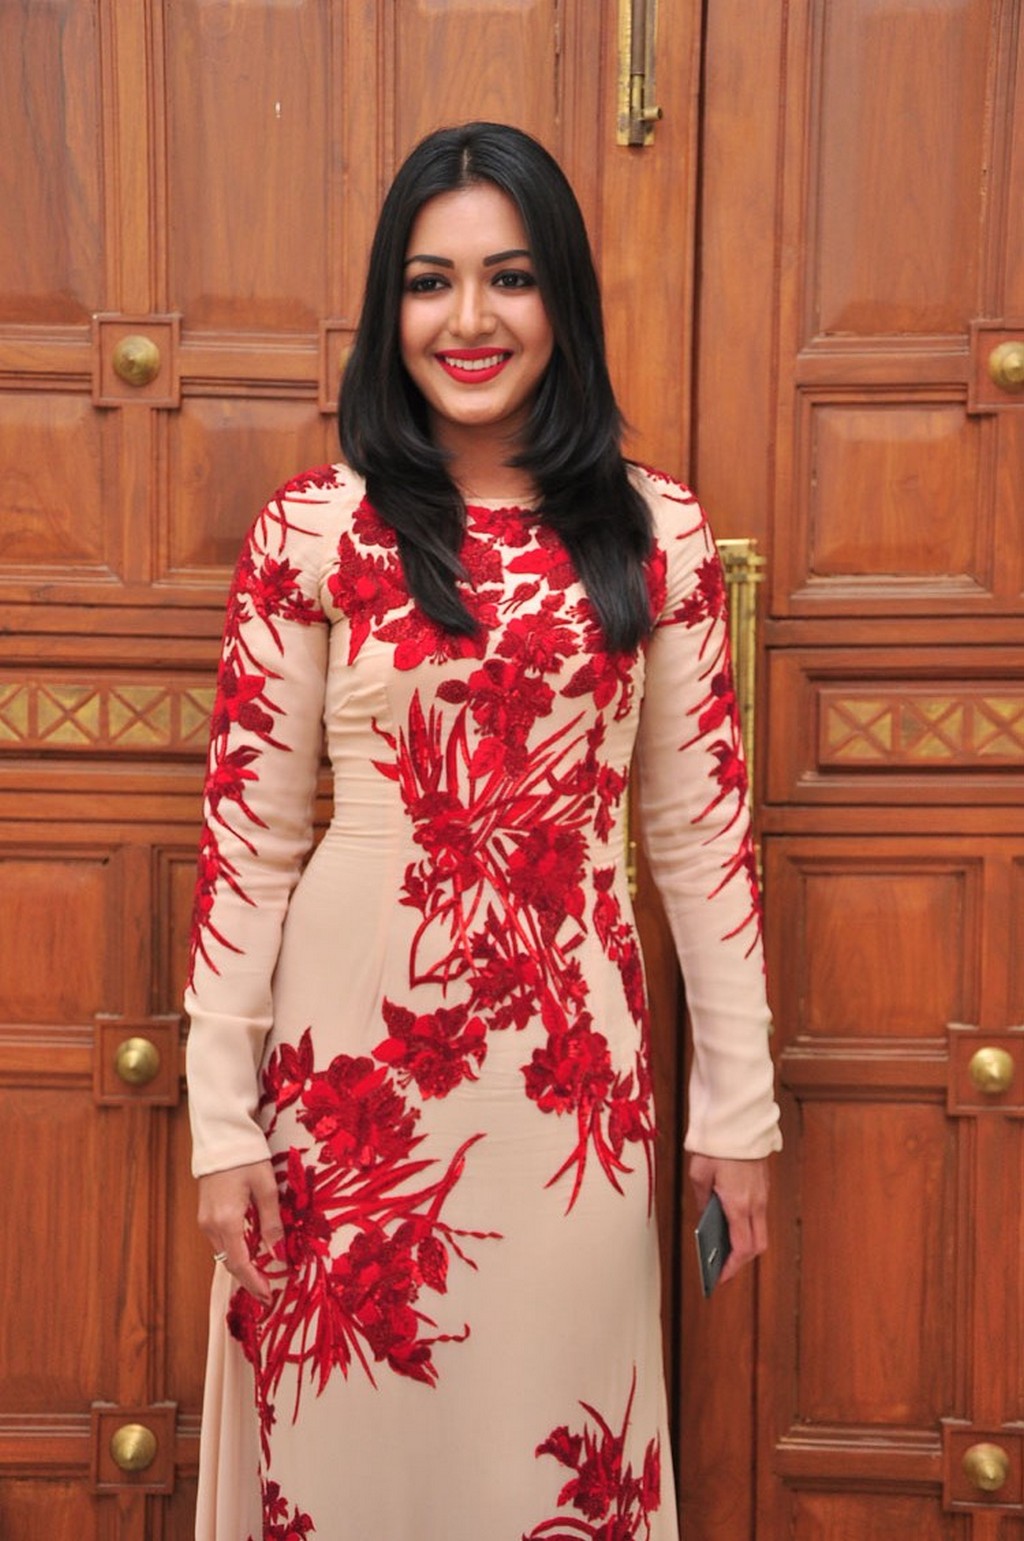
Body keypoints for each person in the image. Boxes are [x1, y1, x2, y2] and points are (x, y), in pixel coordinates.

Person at [185, 120, 781, 1541]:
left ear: (563, 298)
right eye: (428, 282)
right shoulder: (312, 532)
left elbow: (702, 837)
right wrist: (220, 1122)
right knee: (350, 1453)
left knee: (548, 1441)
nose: (468, 320)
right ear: (387, 308)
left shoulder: (658, 534)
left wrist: (739, 1113)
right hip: (346, 1083)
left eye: (509, 278)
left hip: (569, 1091)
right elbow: (247, 844)